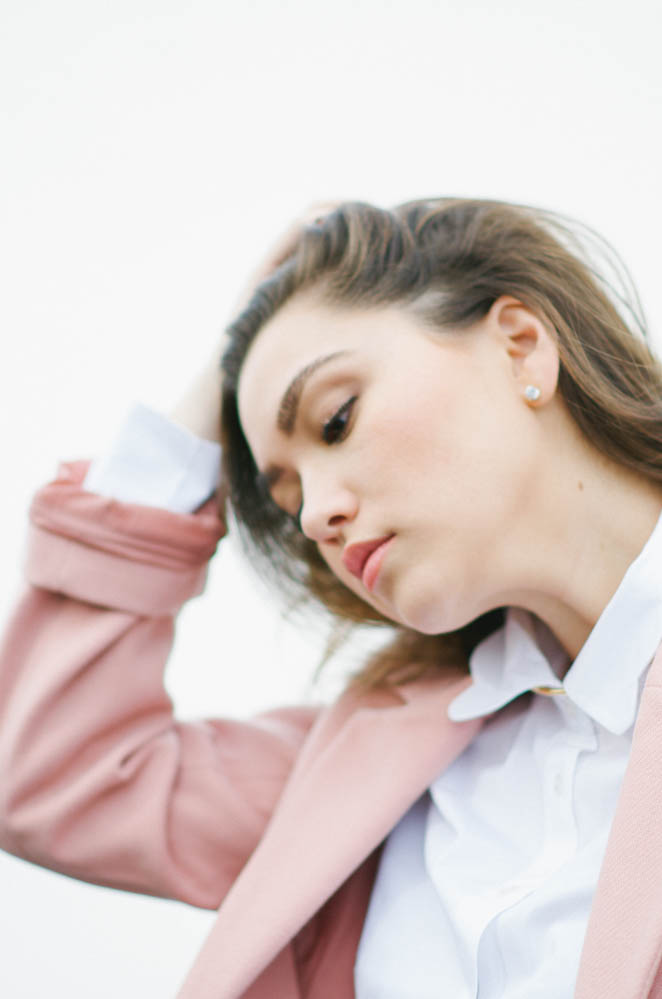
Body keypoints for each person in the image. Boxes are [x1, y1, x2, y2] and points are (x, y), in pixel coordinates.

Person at [1, 197, 662, 999]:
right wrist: (219, 379)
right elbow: (51, 774)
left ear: (521, 345)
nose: (314, 514)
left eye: (336, 419)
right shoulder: (368, 772)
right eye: (288, 500)